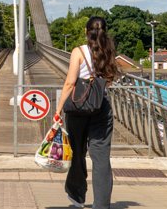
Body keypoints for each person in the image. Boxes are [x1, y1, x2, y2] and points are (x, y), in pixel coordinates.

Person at [53, 16, 119, 209]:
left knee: (77, 152)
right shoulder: (109, 52)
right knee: (101, 158)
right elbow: (109, 79)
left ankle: (77, 199)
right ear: (104, 31)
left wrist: (58, 109)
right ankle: (102, 205)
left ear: (85, 31)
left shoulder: (78, 51)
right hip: (101, 106)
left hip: (78, 107)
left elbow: (70, 82)